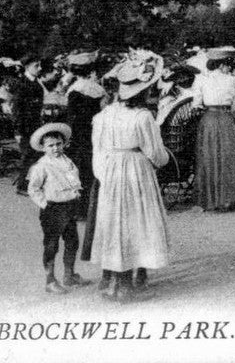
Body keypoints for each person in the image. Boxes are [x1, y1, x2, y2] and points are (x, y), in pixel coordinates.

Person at [91, 50, 170, 301]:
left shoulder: (102, 116)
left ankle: (113, 279)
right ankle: (128, 280)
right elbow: (155, 152)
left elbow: (98, 150)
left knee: (114, 222)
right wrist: (161, 162)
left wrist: (105, 176)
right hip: (136, 168)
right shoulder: (143, 116)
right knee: (137, 221)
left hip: (111, 169)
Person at [26, 122, 91, 293]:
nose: (55, 148)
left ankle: (69, 275)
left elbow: (73, 178)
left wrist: (76, 191)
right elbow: (33, 189)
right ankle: (50, 280)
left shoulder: (67, 160)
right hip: (53, 209)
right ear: (43, 148)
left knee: (72, 241)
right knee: (51, 244)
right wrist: (45, 203)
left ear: (64, 144)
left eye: (58, 144)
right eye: (51, 145)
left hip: (68, 207)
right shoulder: (41, 166)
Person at [191, 47, 235, 211]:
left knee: (209, 157)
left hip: (209, 120)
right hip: (225, 119)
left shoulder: (201, 79)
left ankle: (209, 198)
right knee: (226, 158)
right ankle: (226, 198)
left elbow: (196, 104)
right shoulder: (231, 80)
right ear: (223, 65)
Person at [64, 51, 107, 212]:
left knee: (77, 168)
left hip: (77, 134)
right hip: (94, 132)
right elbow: (103, 112)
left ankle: (78, 207)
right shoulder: (98, 90)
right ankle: (92, 204)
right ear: (91, 71)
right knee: (91, 167)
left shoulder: (73, 90)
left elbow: (71, 117)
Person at [9, 55, 48, 194]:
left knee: (36, 154)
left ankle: (33, 183)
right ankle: (22, 186)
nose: (39, 68)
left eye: (39, 65)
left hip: (35, 125)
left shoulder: (37, 85)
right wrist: (18, 131)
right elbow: (16, 110)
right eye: (36, 66)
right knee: (28, 155)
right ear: (27, 67)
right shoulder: (21, 84)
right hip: (24, 126)